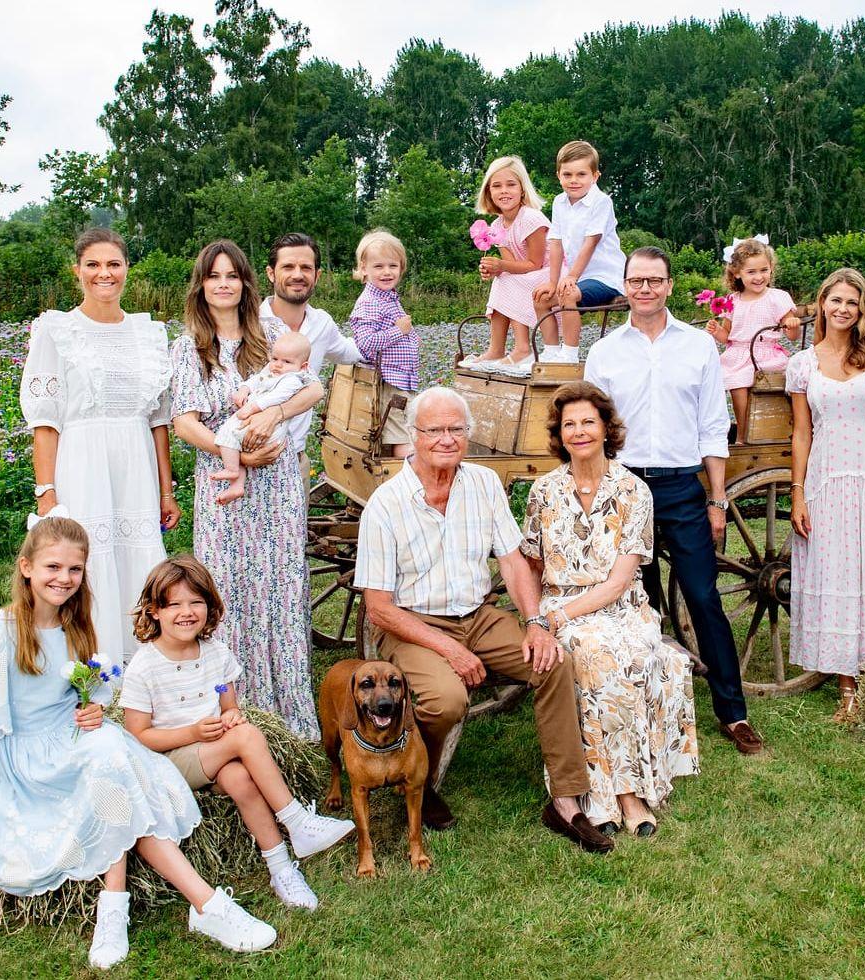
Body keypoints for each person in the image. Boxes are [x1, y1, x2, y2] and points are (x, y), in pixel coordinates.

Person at [0, 515, 274, 969]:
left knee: (111, 761)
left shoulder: (77, 624)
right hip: (26, 759)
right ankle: (200, 905)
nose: (64, 579)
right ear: (26, 567)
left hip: (77, 737)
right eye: (53, 567)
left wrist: (91, 706)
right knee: (111, 766)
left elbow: (84, 690)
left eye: (75, 570)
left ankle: (130, 907)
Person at [355, 387, 613, 853]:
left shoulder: (483, 483)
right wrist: (450, 649)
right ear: (414, 436)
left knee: (553, 663)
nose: (446, 439)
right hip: (413, 624)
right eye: (434, 430)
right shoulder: (386, 504)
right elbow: (379, 608)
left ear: (468, 434)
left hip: (478, 615)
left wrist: (535, 621)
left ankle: (567, 800)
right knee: (447, 699)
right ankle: (419, 780)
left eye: (457, 429)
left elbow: (513, 563)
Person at [584, 246, 766, 756]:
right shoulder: (605, 353)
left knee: (704, 596)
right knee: (636, 602)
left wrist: (716, 499)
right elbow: (591, 429)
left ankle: (733, 713)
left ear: (668, 285)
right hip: (624, 486)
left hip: (683, 486)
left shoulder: (697, 346)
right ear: (624, 287)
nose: (646, 289)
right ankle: (644, 708)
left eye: (655, 280)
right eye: (637, 281)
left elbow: (713, 426)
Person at [120, 557, 354, 911]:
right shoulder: (144, 666)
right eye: (174, 604)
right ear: (154, 611)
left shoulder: (215, 653)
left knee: (241, 777)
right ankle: (296, 820)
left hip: (212, 753)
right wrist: (194, 731)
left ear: (210, 607)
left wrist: (230, 717)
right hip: (166, 762)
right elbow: (138, 736)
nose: (187, 612)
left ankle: (281, 869)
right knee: (246, 737)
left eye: (196, 602)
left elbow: (229, 706)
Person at [520, 382, 699, 835]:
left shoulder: (633, 490)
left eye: (588, 422)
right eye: (569, 425)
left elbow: (620, 581)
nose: (579, 432)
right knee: (594, 656)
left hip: (621, 604)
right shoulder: (543, 491)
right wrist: (549, 612)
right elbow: (533, 560)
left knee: (628, 654)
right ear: (559, 435)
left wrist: (560, 617)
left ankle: (617, 794)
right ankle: (621, 795)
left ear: (606, 429)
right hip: (560, 601)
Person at [169, 240, 325, 740]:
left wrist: (275, 414)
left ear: (244, 283)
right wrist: (230, 451)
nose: (223, 284)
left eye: (232, 276)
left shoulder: (273, 332)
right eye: (213, 276)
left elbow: (313, 388)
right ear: (202, 285)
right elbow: (183, 422)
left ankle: (290, 721)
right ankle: (235, 715)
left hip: (276, 486)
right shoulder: (189, 346)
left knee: (279, 589)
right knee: (228, 592)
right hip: (223, 484)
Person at [20, 228, 176, 665]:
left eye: (113, 264)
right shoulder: (57, 330)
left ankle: (142, 667)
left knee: (138, 559)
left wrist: (167, 490)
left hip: (136, 466)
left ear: (127, 269)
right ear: (77, 271)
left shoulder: (149, 334)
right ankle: (88, 666)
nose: (104, 274)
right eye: (93, 264)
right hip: (82, 461)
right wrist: (46, 493)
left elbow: (158, 421)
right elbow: (45, 421)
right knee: (87, 560)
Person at [786, 268, 865, 722]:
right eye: (835, 300)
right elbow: (801, 432)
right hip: (825, 478)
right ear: (822, 304)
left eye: (851, 303)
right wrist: (798, 493)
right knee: (837, 571)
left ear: (863, 310)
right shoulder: (802, 364)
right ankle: (846, 686)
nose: (842, 309)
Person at [532, 140, 627, 362]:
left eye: (581, 174)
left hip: (606, 277)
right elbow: (555, 243)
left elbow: (590, 242)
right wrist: (552, 282)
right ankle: (552, 351)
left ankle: (570, 354)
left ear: (595, 176)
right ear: (558, 175)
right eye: (567, 175)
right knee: (542, 298)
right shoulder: (559, 202)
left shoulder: (601, 202)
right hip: (580, 278)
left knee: (568, 294)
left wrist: (572, 277)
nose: (574, 180)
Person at [458, 156, 552, 376]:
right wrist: (494, 268)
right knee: (503, 278)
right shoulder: (497, 225)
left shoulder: (531, 218)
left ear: (522, 189)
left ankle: (522, 348)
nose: (504, 191)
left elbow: (534, 263)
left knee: (509, 279)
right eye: (497, 186)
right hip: (528, 272)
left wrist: (502, 266)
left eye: (511, 184)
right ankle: (496, 349)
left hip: (550, 272)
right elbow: (512, 265)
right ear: (488, 191)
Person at [707, 237, 799, 444]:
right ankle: (741, 432)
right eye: (751, 272)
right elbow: (727, 338)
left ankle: (756, 433)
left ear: (771, 269)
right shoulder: (733, 301)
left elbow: (792, 337)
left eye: (763, 270)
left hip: (766, 355)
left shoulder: (777, 297)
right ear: (737, 273)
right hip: (738, 354)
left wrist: (793, 325)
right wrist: (717, 331)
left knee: (745, 380)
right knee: (733, 384)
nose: (759, 277)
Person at [212, 331, 316, 505]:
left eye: (286, 361)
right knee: (229, 435)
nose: (278, 365)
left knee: (229, 434)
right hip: (257, 424)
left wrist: (252, 407)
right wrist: (244, 389)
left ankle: (232, 469)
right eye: (275, 359)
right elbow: (257, 379)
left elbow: (277, 398)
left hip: (271, 430)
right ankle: (237, 482)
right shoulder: (273, 370)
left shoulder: (293, 379)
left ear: (303, 366)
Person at [348, 229, 418, 458]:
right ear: (363, 269)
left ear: (401, 267)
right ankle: (411, 477)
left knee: (406, 429)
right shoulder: (370, 302)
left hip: (399, 379)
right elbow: (366, 343)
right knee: (402, 435)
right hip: (388, 382)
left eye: (393, 266)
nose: (387, 272)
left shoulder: (387, 297)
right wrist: (399, 331)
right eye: (378, 266)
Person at [259, 232, 363, 369]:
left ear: (317, 276)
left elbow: (354, 351)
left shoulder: (321, 323)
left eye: (306, 268)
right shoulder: (251, 322)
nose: (297, 275)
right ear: (271, 274)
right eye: (288, 267)